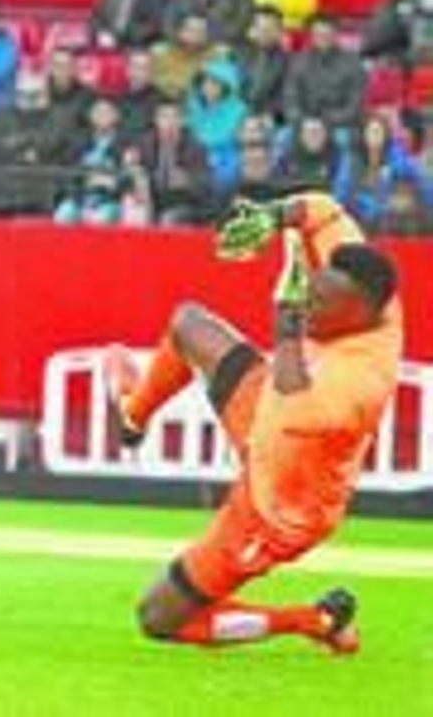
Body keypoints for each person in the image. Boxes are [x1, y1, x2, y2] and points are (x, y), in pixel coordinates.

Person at [104, 192, 401, 655]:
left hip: (278, 508)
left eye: (320, 304)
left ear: (361, 314)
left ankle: (313, 620)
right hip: (267, 414)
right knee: (188, 324)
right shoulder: (361, 282)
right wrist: (272, 216)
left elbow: (293, 413)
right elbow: (323, 209)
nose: (308, 306)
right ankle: (132, 417)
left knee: (158, 619)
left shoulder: (362, 379)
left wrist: (286, 332)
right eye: (311, 293)